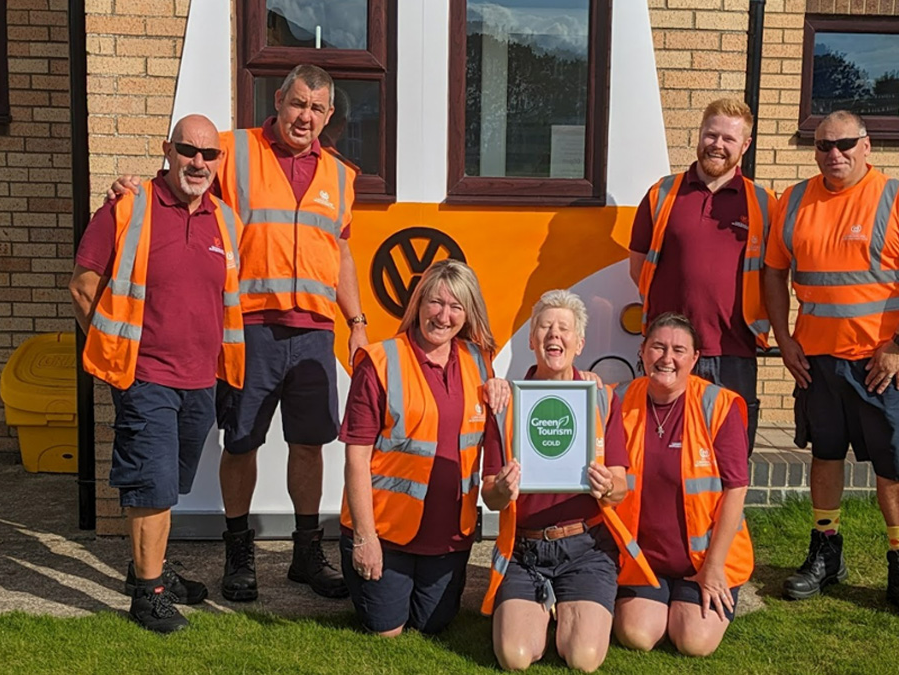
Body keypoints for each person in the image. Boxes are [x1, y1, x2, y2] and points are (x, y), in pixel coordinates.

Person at [110, 64, 367, 602]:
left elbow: (340, 251)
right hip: (250, 328)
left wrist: (358, 322)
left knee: (310, 445)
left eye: (318, 109)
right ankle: (239, 552)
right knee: (242, 442)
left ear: (329, 116)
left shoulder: (341, 176)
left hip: (315, 333)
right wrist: (129, 186)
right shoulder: (235, 150)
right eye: (298, 103)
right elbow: (183, 174)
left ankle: (304, 553)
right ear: (278, 99)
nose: (306, 117)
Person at [763, 110, 899, 618]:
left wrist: (898, 344)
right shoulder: (795, 201)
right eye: (822, 146)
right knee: (825, 454)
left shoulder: (898, 198)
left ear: (867, 146)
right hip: (817, 360)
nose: (833, 154)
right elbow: (773, 273)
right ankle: (826, 552)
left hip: (883, 363)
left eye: (844, 144)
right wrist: (784, 338)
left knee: (894, 463)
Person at [70, 115, 244, 633]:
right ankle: (148, 596)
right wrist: (116, 356)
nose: (198, 162)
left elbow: (226, 302)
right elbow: (82, 286)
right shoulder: (128, 206)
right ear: (168, 150)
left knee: (172, 484)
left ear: (219, 161)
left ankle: (149, 568)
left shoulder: (227, 222)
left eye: (209, 154)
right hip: (145, 378)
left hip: (201, 382)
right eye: (188, 150)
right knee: (152, 486)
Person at [480, 290, 657, 672]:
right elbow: (490, 496)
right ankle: (543, 608)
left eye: (564, 328)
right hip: (524, 553)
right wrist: (501, 489)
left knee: (584, 659)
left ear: (579, 343)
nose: (553, 335)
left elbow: (621, 487)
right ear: (531, 340)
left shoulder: (601, 398)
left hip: (587, 550)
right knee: (515, 658)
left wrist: (607, 487)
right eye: (544, 327)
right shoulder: (506, 402)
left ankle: (568, 608)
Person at [338, 259, 508, 636]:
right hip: (385, 532)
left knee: (433, 625)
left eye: (455, 307)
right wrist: (366, 539)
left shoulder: (480, 363)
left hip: (447, 536)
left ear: (468, 313)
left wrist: (504, 389)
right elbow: (356, 458)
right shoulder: (378, 362)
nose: (443, 316)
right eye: (435, 302)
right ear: (418, 303)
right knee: (388, 630)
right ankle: (362, 561)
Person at [629, 98, 779, 453]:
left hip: (733, 351)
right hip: (669, 352)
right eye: (711, 135)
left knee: (730, 456)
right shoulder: (662, 194)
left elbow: (775, 277)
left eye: (729, 139)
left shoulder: (764, 203)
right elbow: (638, 268)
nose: (717, 145)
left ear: (745, 146)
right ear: (699, 135)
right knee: (660, 452)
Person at [612, 313, 753, 657]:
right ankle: (660, 598)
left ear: (694, 359)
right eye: (658, 347)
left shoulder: (718, 405)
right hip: (641, 561)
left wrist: (714, 567)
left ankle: (691, 593)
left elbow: (736, 488)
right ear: (643, 352)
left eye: (678, 350)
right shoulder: (618, 400)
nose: (667, 358)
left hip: (705, 560)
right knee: (637, 635)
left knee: (694, 642)